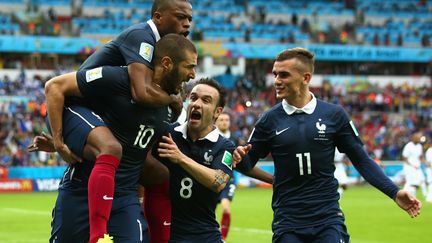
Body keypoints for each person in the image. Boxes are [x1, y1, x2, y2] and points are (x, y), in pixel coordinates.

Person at [233, 47, 422, 243]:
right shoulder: (269, 120)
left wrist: (394, 192)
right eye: (275, 74)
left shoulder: (334, 115)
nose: (276, 81)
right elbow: (245, 164)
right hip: (287, 222)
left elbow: (361, 160)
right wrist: (238, 157)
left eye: (284, 75)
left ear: (305, 78)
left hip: (328, 221)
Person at [48, 1, 193, 242]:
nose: (187, 24)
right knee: (111, 148)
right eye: (180, 17)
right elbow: (140, 92)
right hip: (71, 106)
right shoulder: (141, 37)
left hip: (110, 140)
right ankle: (97, 236)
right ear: (158, 17)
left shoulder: (157, 57)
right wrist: (59, 139)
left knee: (157, 170)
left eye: (189, 18)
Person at [151, 78, 234, 243]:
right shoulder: (168, 134)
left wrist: (180, 158)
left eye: (206, 100)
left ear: (217, 112)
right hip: (166, 233)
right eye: (193, 97)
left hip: (205, 234)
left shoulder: (224, 146)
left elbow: (218, 182)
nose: (196, 103)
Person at [402, 132, 427, 198]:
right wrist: (412, 165)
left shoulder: (419, 146)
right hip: (409, 167)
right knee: (410, 182)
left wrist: (425, 162)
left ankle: (425, 196)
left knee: (422, 180)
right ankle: (401, 195)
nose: (419, 139)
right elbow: (404, 158)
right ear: (414, 138)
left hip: (417, 167)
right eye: (418, 138)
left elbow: (420, 157)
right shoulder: (408, 146)